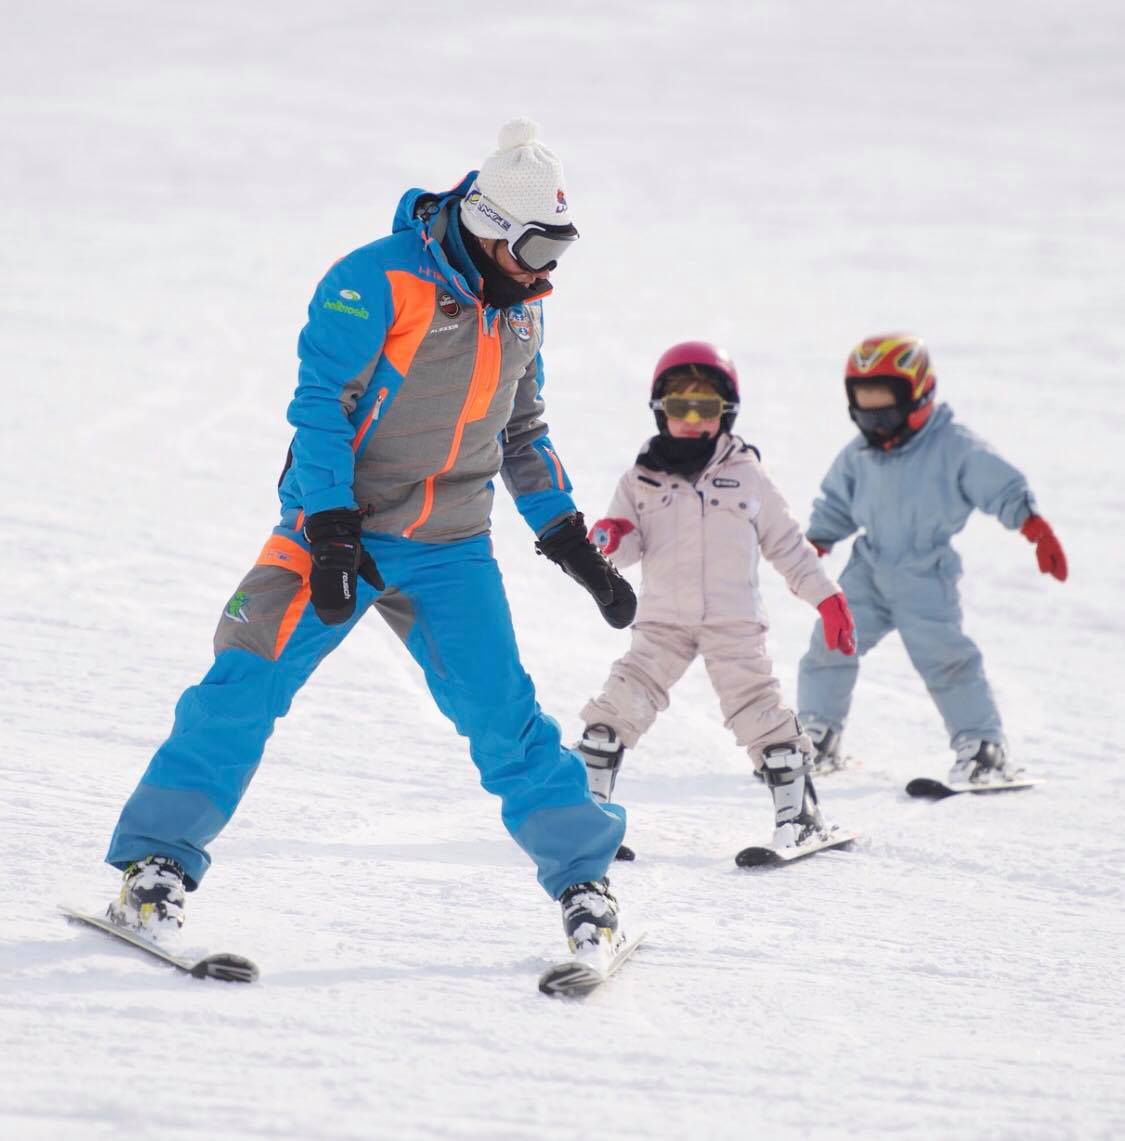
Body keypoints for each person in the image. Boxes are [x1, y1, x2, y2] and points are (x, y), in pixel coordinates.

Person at [104, 118, 638, 960]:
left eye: (558, 251)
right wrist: (330, 532)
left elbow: (523, 432)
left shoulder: (522, 315)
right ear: (489, 226)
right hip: (336, 530)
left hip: (451, 549)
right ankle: (154, 868)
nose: (546, 272)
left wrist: (568, 538)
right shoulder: (374, 281)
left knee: (506, 717)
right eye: (537, 250)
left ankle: (582, 879)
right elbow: (321, 405)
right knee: (241, 682)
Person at [576, 342, 856, 857]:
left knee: (758, 710)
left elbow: (788, 546)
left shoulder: (747, 475)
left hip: (733, 623)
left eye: (704, 408)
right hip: (662, 622)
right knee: (619, 706)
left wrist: (828, 599)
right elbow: (628, 547)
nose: (691, 420)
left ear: (725, 412)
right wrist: (612, 536)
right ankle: (587, 816)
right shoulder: (640, 478)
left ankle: (799, 815)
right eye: (678, 407)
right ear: (660, 410)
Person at [796, 333, 1067, 785]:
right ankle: (817, 738)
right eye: (863, 401)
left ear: (917, 393)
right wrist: (819, 539)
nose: (874, 414)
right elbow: (837, 502)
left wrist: (1033, 526)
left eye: (884, 401)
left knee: (947, 659)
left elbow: (998, 483)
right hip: (867, 568)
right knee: (829, 645)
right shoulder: (859, 455)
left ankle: (984, 748)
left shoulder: (954, 447)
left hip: (925, 573)